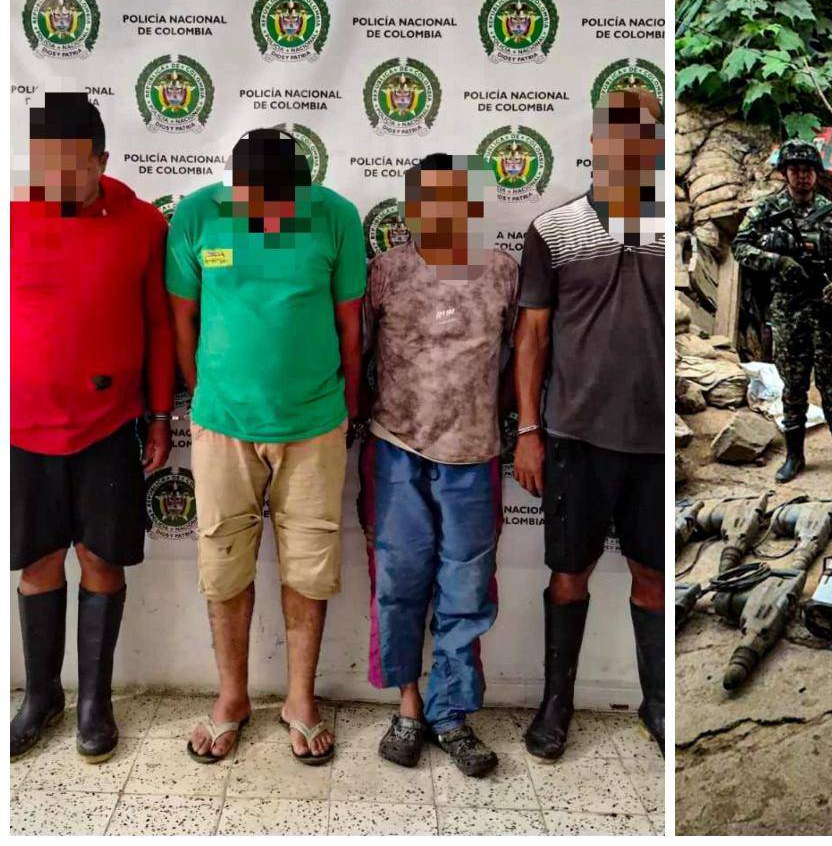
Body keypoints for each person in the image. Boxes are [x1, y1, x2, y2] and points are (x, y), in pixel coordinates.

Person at [166, 129, 365, 765]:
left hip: (314, 424)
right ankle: (232, 697)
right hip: (222, 425)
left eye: (284, 202)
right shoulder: (198, 215)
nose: (272, 216)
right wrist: (206, 399)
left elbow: (350, 324)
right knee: (223, 563)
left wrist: (345, 409)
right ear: (235, 188)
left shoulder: (336, 216)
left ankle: (300, 699)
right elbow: (183, 318)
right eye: (258, 203)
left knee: (310, 567)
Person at [11, 92, 174, 762]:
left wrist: (161, 414)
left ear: (103, 160)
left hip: (110, 426)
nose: (59, 183)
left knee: (101, 560)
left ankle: (96, 703)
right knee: (38, 562)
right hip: (21, 428)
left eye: (74, 168)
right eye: (46, 167)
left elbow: (160, 327)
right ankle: (42, 696)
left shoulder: (141, 225)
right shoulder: (11, 216)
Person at [513, 90, 665, 759]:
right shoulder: (556, 230)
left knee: (654, 575)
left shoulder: (674, 229)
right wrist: (527, 431)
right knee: (567, 574)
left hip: (657, 446)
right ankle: (556, 703)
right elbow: (532, 340)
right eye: (618, 135)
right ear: (600, 143)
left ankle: (657, 701)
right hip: (574, 437)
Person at [357, 154, 518, 777]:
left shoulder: (503, 271)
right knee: (398, 581)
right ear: (412, 208)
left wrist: (500, 420)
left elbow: (518, 359)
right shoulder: (388, 272)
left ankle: (451, 715)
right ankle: (408, 705)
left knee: (467, 589)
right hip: (396, 449)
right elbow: (358, 352)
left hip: (474, 456)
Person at [731, 140, 832, 482]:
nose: (802, 177)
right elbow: (740, 247)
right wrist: (778, 262)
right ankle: (794, 457)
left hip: (826, 313)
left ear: (816, 175)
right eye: (795, 170)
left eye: (807, 171)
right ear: (785, 173)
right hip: (789, 313)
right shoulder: (767, 211)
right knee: (793, 387)